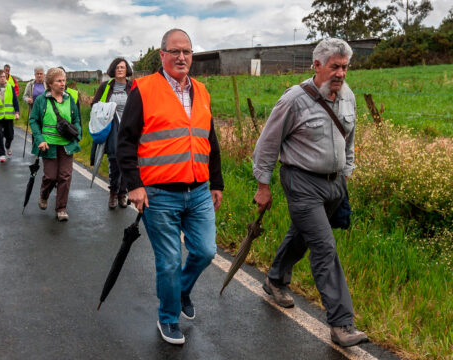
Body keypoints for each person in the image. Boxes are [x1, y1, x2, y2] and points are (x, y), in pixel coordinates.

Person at [252, 38, 367, 348]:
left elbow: (350, 140)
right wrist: (263, 186)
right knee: (324, 247)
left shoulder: (348, 97)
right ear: (316, 66)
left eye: (345, 67)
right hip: (301, 182)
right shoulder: (294, 100)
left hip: (334, 184)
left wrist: (346, 173)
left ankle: (275, 280)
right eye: (335, 67)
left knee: (303, 235)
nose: (341, 73)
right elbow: (267, 145)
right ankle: (342, 323)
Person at [117, 29, 224, 345]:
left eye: (187, 52)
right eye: (175, 51)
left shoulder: (201, 91)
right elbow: (125, 141)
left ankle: (181, 291)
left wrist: (216, 182)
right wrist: (134, 185)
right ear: (161, 55)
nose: (181, 57)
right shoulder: (144, 89)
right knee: (168, 262)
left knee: (205, 251)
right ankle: (168, 318)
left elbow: (210, 140)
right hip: (159, 194)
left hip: (199, 190)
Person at [29, 67, 81, 222]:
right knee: (51, 176)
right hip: (48, 145)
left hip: (67, 145)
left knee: (65, 176)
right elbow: (33, 120)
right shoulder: (41, 100)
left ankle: (61, 208)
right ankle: (44, 196)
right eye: (59, 81)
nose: (63, 83)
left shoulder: (69, 99)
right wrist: (40, 139)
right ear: (50, 83)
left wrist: (77, 133)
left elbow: (77, 119)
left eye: (64, 80)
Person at [91, 57, 133, 209]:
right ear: (113, 70)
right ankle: (113, 193)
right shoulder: (105, 86)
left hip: (129, 130)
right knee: (114, 162)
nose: (120, 69)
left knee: (127, 163)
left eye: (123, 67)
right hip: (111, 129)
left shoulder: (132, 86)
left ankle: (123, 193)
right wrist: (107, 109)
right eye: (117, 67)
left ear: (127, 69)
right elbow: (94, 106)